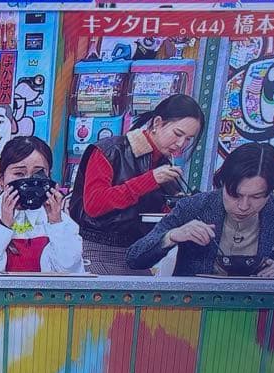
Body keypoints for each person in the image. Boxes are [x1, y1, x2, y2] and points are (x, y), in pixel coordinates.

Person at [69, 94, 204, 275]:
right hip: (98, 250)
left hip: (139, 255)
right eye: (178, 134)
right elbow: (94, 204)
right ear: (157, 123)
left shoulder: (164, 164)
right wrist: (149, 180)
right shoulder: (110, 150)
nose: (181, 144)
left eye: (188, 139)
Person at [126, 142, 274, 277]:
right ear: (223, 183)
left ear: (270, 192)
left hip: (258, 309)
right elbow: (134, 258)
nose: (243, 206)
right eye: (234, 195)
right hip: (193, 307)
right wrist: (171, 236)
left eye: (256, 197)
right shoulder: (194, 207)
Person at [0, 137, 83, 274]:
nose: (28, 181)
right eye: (19, 173)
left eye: (38, 174)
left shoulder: (62, 222)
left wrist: (56, 223)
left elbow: (69, 268)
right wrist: (4, 227)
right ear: (1, 179)